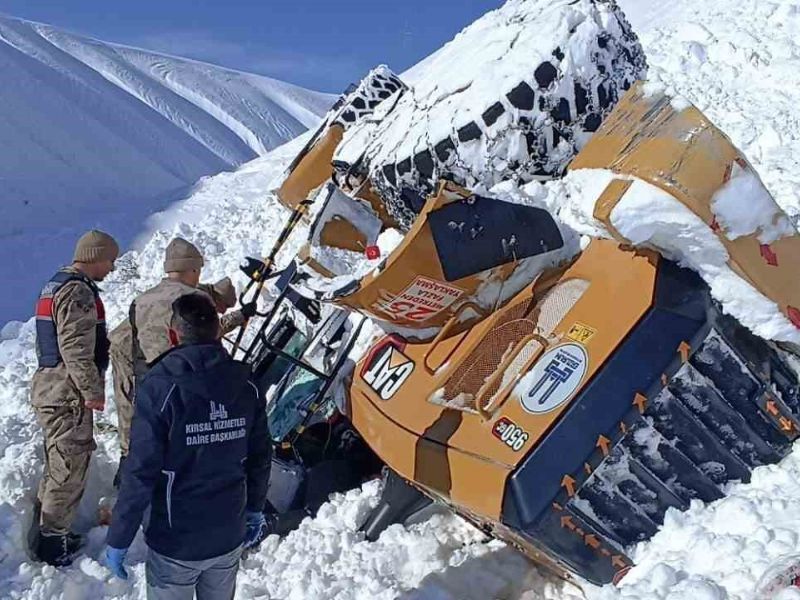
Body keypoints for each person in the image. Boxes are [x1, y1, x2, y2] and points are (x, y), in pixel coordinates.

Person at [105, 294, 271, 598]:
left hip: (175, 538)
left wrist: (120, 536)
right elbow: (260, 456)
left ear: (174, 335)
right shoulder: (246, 385)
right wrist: (255, 508)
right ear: (217, 331)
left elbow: (140, 469)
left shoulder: (160, 388)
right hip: (227, 529)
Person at [30, 230, 119, 566]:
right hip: (67, 394)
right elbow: (76, 350)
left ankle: (52, 532)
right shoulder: (77, 291)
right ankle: (54, 543)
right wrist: (92, 391)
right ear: (95, 256)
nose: (111, 268)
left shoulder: (56, 285)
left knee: (58, 464)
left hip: (53, 389)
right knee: (68, 467)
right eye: (109, 260)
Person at [110, 275, 254, 482]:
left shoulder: (193, 293)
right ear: (217, 299)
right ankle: (129, 466)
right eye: (222, 307)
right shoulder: (194, 297)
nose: (221, 312)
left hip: (139, 347)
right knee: (133, 408)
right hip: (131, 350)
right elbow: (200, 332)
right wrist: (239, 317)